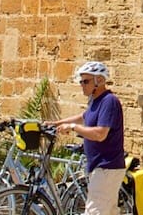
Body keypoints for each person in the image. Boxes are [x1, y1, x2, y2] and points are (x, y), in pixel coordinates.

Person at [45, 62, 125, 214]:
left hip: (106, 168)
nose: (82, 85)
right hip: (100, 167)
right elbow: (83, 117)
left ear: (99, 80)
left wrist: (73, 128)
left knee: (94, 211)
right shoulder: (96, 101)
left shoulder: (109, 101)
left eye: (86, 81)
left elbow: (100, 134)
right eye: (81, 81)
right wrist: (56, 124)